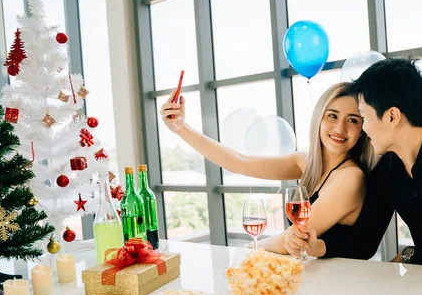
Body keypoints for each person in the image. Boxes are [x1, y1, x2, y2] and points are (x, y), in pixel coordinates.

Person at [288, 58, 422, 273]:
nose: (363, 129)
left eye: (363, 117)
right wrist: (318, 246)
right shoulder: (387, 169)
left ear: (392, 116)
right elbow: (365, 243)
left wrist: (412, 254)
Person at [160, 83, 376, 256]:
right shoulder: (306, 162)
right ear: (319, 118)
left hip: (343, 285)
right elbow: (239, 161)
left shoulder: (351, 177)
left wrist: (249, 250)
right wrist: (181, 128)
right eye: (332, 115)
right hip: (313, 276)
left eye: (353, 120)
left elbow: (293, 237)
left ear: (362, 130)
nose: (340, 128)